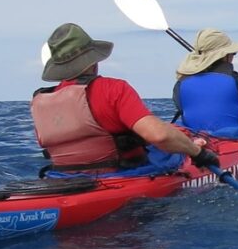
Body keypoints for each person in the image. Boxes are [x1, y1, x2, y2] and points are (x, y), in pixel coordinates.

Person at [33, 23, 221, 175]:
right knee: (174, 147)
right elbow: (159, 136)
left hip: (64, 177)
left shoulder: (41, 100)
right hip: (121, 175)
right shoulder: (113, 89)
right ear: (93, 60)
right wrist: (198, 153)